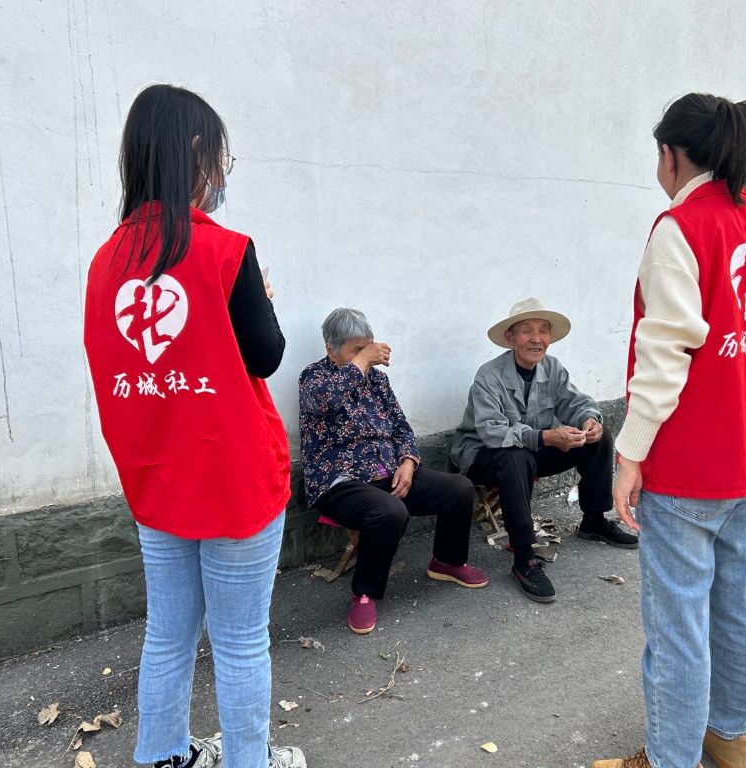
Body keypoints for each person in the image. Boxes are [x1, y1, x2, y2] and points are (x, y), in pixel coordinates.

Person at [83, 85, 305, 768]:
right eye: (222, 159)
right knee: (240, 642)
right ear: (197, 154)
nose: (223, 174)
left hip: (158, 484)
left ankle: (161, 757)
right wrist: (259, 301)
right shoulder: (226, 251)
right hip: (235, 484)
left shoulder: (105, 263)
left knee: (168, 635)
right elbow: (265, 355)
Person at [590, 94, 746, 768]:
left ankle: (670, 759)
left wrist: (629, 453)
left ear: (672, 154)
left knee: (677, 625)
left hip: (685, 467)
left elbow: (663, 358)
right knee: (738, 602)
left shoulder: (680, 228)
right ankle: (731, 740)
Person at [299, 308, 489, 634]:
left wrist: (408, 463)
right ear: (331, 350)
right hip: (340, 480)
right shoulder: (314, 378)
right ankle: (365, 593)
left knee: (459, 488)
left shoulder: (378, 380)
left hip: (389, 470)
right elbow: (323, 403)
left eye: (368, 346)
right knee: (389, 510)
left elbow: (401, 427)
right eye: (357, 349)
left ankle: (447, 561)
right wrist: (362, 362)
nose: (368, 355)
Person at [450, 298, 638, 604]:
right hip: (481, 455)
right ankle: (524, 557)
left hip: (531, 450)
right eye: (526, 330)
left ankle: (594, 520)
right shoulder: (489, 376)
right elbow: (493, 432)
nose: (536, 339)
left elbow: (576, 403)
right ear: (511, 337)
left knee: (599, 438)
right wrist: (546, 437)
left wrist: (589, 420)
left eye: (543, 331)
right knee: (515, 455)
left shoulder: (552, 368)